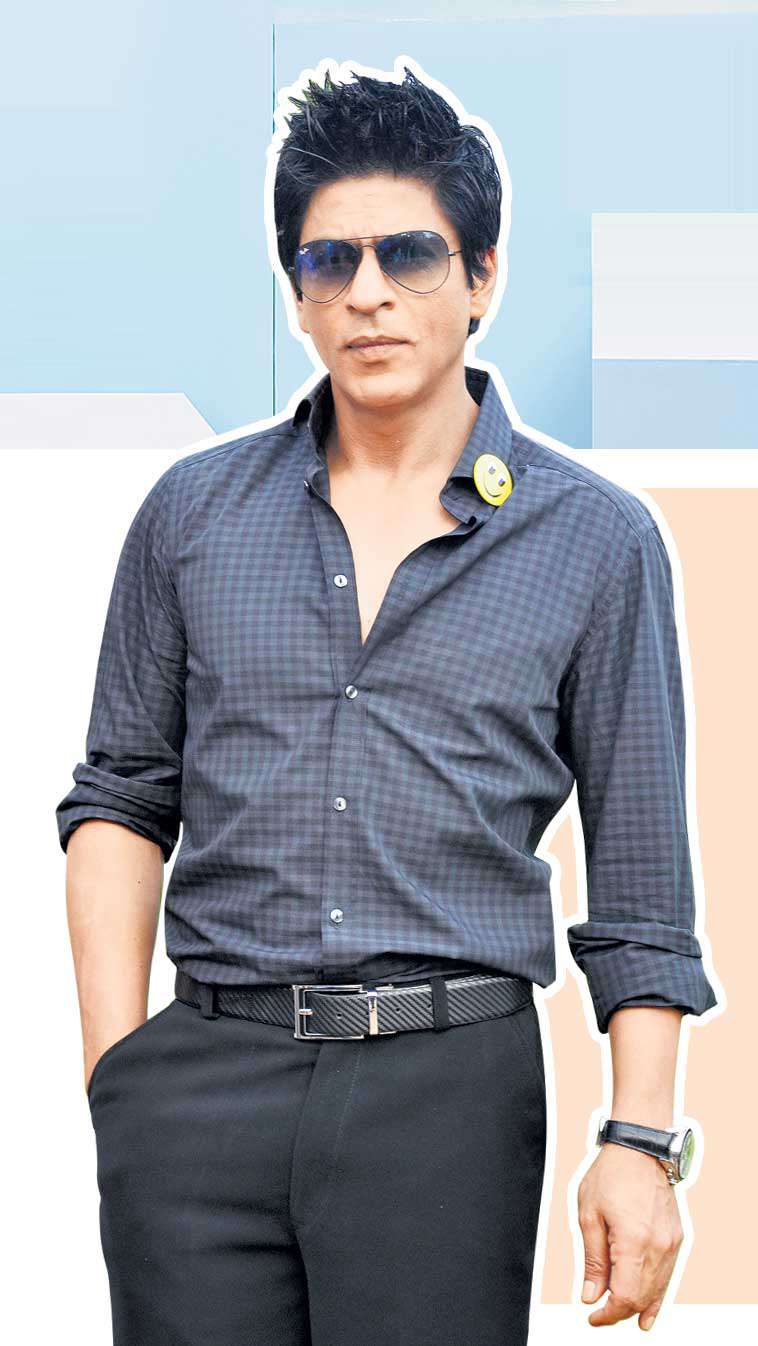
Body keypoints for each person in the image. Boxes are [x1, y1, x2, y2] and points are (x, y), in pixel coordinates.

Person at [56, 64, 718, 1346]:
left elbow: (640, 876)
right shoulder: (191, 516)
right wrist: (117, 1078)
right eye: (330, 260)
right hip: (201, 1088)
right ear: (297, 293)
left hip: (447, 1092)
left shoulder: (596, 541)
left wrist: (638, 1138)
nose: (367, 292)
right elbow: (121, 799)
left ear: (480, 276)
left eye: (408, 254)